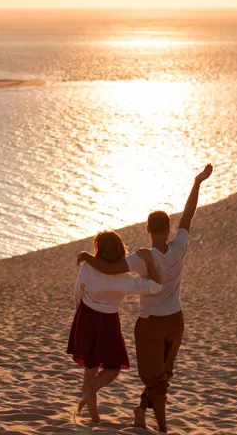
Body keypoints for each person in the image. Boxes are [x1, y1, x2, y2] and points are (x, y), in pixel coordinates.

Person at [77, 164, 213, 433]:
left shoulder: (141, 258)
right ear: (169, 229)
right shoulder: (179, 247)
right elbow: (188, 215)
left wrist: (88, 258)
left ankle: (153, 420)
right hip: (176, 320)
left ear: (148, 229)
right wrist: (197, 183)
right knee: (164, 375)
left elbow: (111, 269)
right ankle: (146, 413)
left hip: (151, 323)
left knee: (154, 377)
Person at [68, 230, 163, 424]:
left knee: (90, 366)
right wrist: (149, 262)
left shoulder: (87, 268)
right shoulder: (126, 279)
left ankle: (92, 409)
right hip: (108, 321)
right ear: (120, 250)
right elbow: (156, 286)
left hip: (86, 317)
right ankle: (91, 395)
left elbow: (78, 293)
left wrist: (79, 316)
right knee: (113, 367)